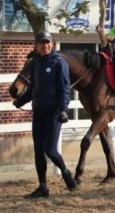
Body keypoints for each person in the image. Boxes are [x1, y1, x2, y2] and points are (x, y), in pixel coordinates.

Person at [12, 31, 77, 198]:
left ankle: (65, 172)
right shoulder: (36, 63)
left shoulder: (58, 63)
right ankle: (43, 187)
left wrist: (63, 109)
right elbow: (33, 89)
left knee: (50, 150)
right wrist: (21, 101)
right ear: (36, 45)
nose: (45, 45)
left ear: (52, 44)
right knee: (38, 151)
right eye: (41, 43)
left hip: (54, 113)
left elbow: (64, 88)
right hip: (38, 113)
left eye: (47, 42)